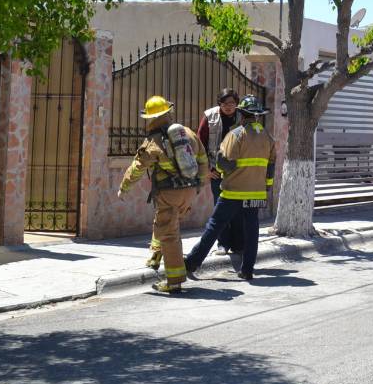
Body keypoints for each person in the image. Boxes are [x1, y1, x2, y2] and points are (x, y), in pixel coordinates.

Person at [118, 95, 206, 294]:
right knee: (167, 223)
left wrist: (124, 187)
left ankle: (174, 281)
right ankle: (155, 255)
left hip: (169, 192)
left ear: (150, 118)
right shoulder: (188, 133)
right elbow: (202, 158)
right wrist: (199, 185)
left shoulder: (153, 141)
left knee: (169, 235)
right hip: (189, 190)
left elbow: (138, 167)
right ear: (169, 112)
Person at [185, 95, 275, 282]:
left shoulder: (235, 135)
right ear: (258, 115)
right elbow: (270, 168)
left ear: (241, 113)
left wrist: (217, 165)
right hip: (256, 192)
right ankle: (247, 270)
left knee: (215, 226)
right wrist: (266, 188)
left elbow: (224, 164)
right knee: (252, 230)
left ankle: (192, 263)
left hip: (233, 191)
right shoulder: (268, 138)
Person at [197, 87, 241, 255]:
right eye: (225, 103)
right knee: (220, 207)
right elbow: (199, 144)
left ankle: (238, 244)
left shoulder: (242, 116)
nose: (228, 106)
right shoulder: (210, 116)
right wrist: (206, 169)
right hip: (216, 170)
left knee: (238, 208)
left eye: (232, 103)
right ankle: (223, 243)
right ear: (219, 103)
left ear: (236, 104)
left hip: (237, 171)